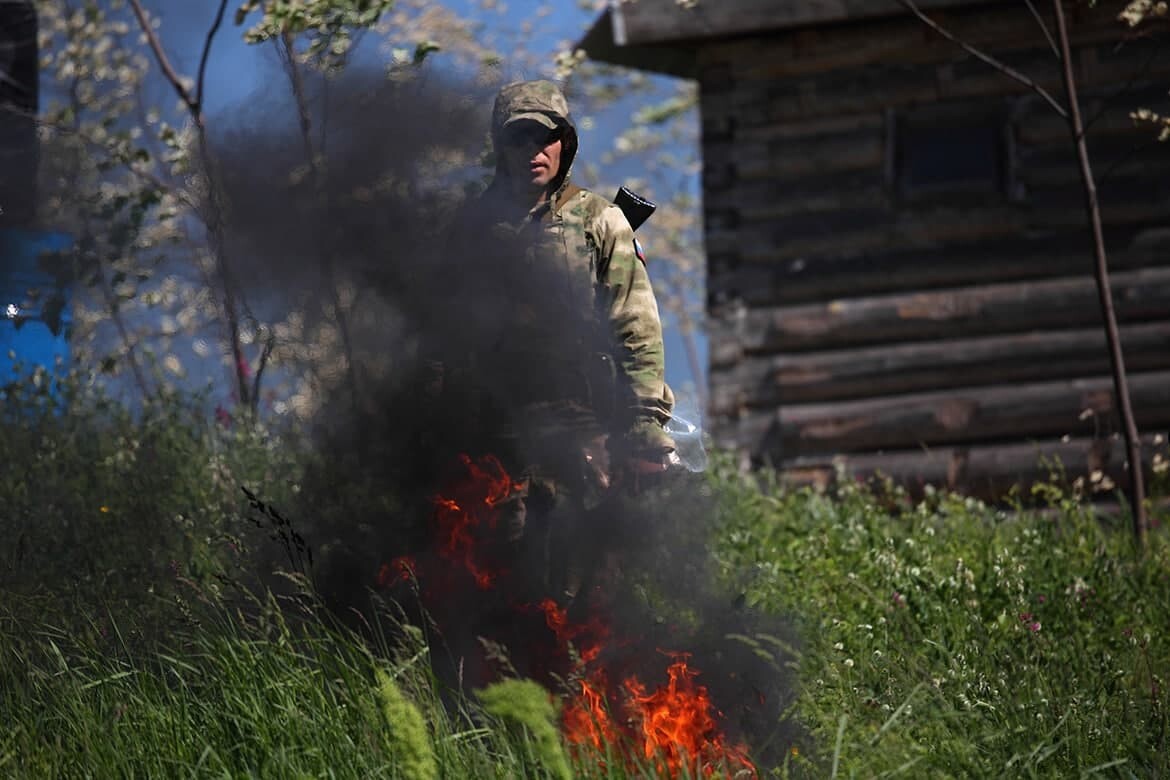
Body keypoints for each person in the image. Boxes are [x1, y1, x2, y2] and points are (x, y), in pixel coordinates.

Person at [426, 79, 676, 605]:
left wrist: (644, 423)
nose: (533, 151)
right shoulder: (470, 228)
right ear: (501, 147)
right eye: (519, 138)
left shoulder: (600, 221)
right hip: (499, 426)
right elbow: (443, 331)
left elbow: (635, 324)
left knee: (582, 580)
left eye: (545, 138)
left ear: (565, 144)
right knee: (502, 574)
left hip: (586, 422)